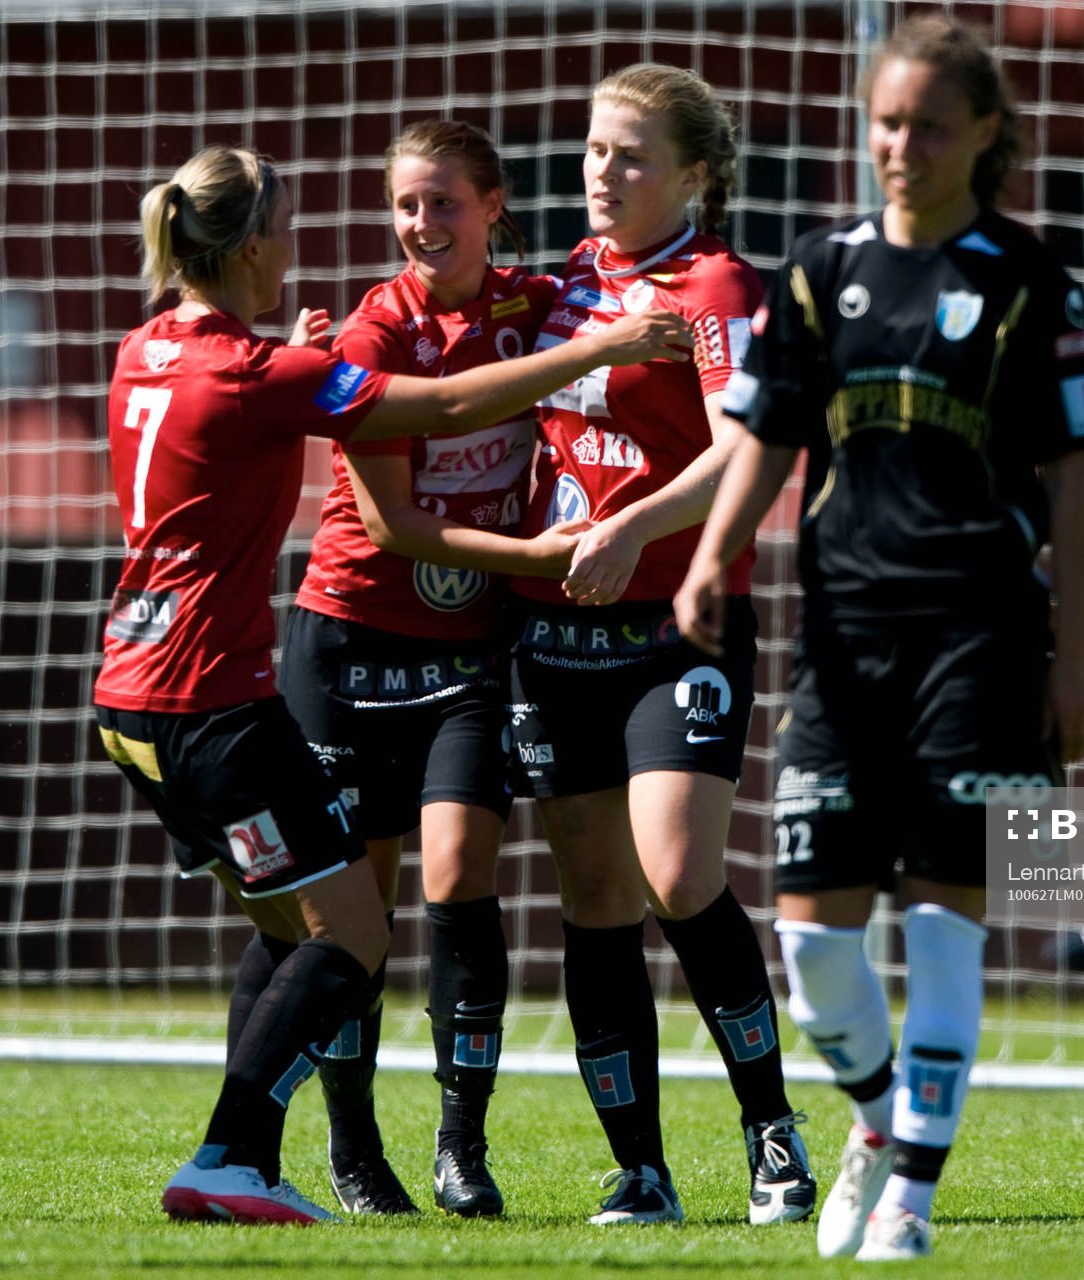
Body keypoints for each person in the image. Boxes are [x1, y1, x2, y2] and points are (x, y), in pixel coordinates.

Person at [98, 143, 690, 1225]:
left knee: (291, 932)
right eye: (286, 226)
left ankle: (253, 1160)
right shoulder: (261, 370)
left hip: (128, 697)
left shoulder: (149, 348)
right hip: (213, 703)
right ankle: (234, 1152)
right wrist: (603, 347)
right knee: (353, 935)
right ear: (249, 246)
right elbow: (451, 407)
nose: (301, 242)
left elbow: (245, 397)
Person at [674, 15, 1084, 1262]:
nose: (897, 144)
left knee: (941, 921)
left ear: (982, 133)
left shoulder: (1028, 279)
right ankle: (878, 1124)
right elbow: (763, 430)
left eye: (923, 122)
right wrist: (714, 555)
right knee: (812, 947)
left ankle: (910, 1196)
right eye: (884, 122)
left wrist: (1074, 655)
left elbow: (1071, 483)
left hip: (979, 640)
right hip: (842, 641)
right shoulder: (818, 268)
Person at [502, 63, 812, 1227]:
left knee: (679, 876)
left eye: (630, 155)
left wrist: (631, 524)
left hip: (679, 619)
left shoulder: (717, 283)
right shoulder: (564, 284)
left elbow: (748, 445)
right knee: (593, 896)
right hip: (556, 630)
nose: (602, 171)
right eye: (592, 149)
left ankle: (772, 1134)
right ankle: (639, 1167)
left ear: (694, 174)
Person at [279, 121, 589, 1218]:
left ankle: (464, 1143)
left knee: (459, 875)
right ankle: (355, 1150)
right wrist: (536, 555)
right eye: (407, 204)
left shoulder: (544, 309)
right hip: (351, 635)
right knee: (352, 916)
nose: (422, 223)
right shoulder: (370, 330)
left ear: (494, 205)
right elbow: (393, 525)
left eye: (444, 201)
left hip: (468, 651)